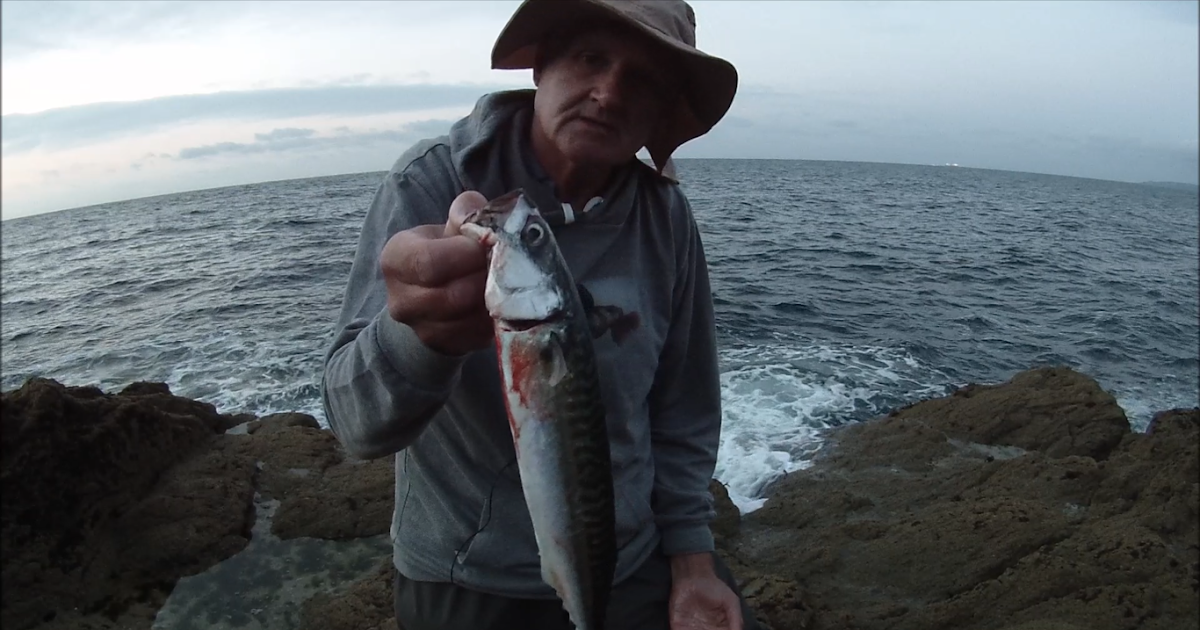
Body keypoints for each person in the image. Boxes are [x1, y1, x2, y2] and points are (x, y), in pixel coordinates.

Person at [321, 1, 759, 628]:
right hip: (470, 582)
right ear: (541, 65)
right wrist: (419, 336)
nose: (608, 93)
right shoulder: (430, 180)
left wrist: (693, 562)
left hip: (632, 563)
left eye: (641, 80)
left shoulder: (666, 218)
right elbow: (355, 425)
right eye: (590, 59)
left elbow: (683, 405)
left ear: (660, 110)